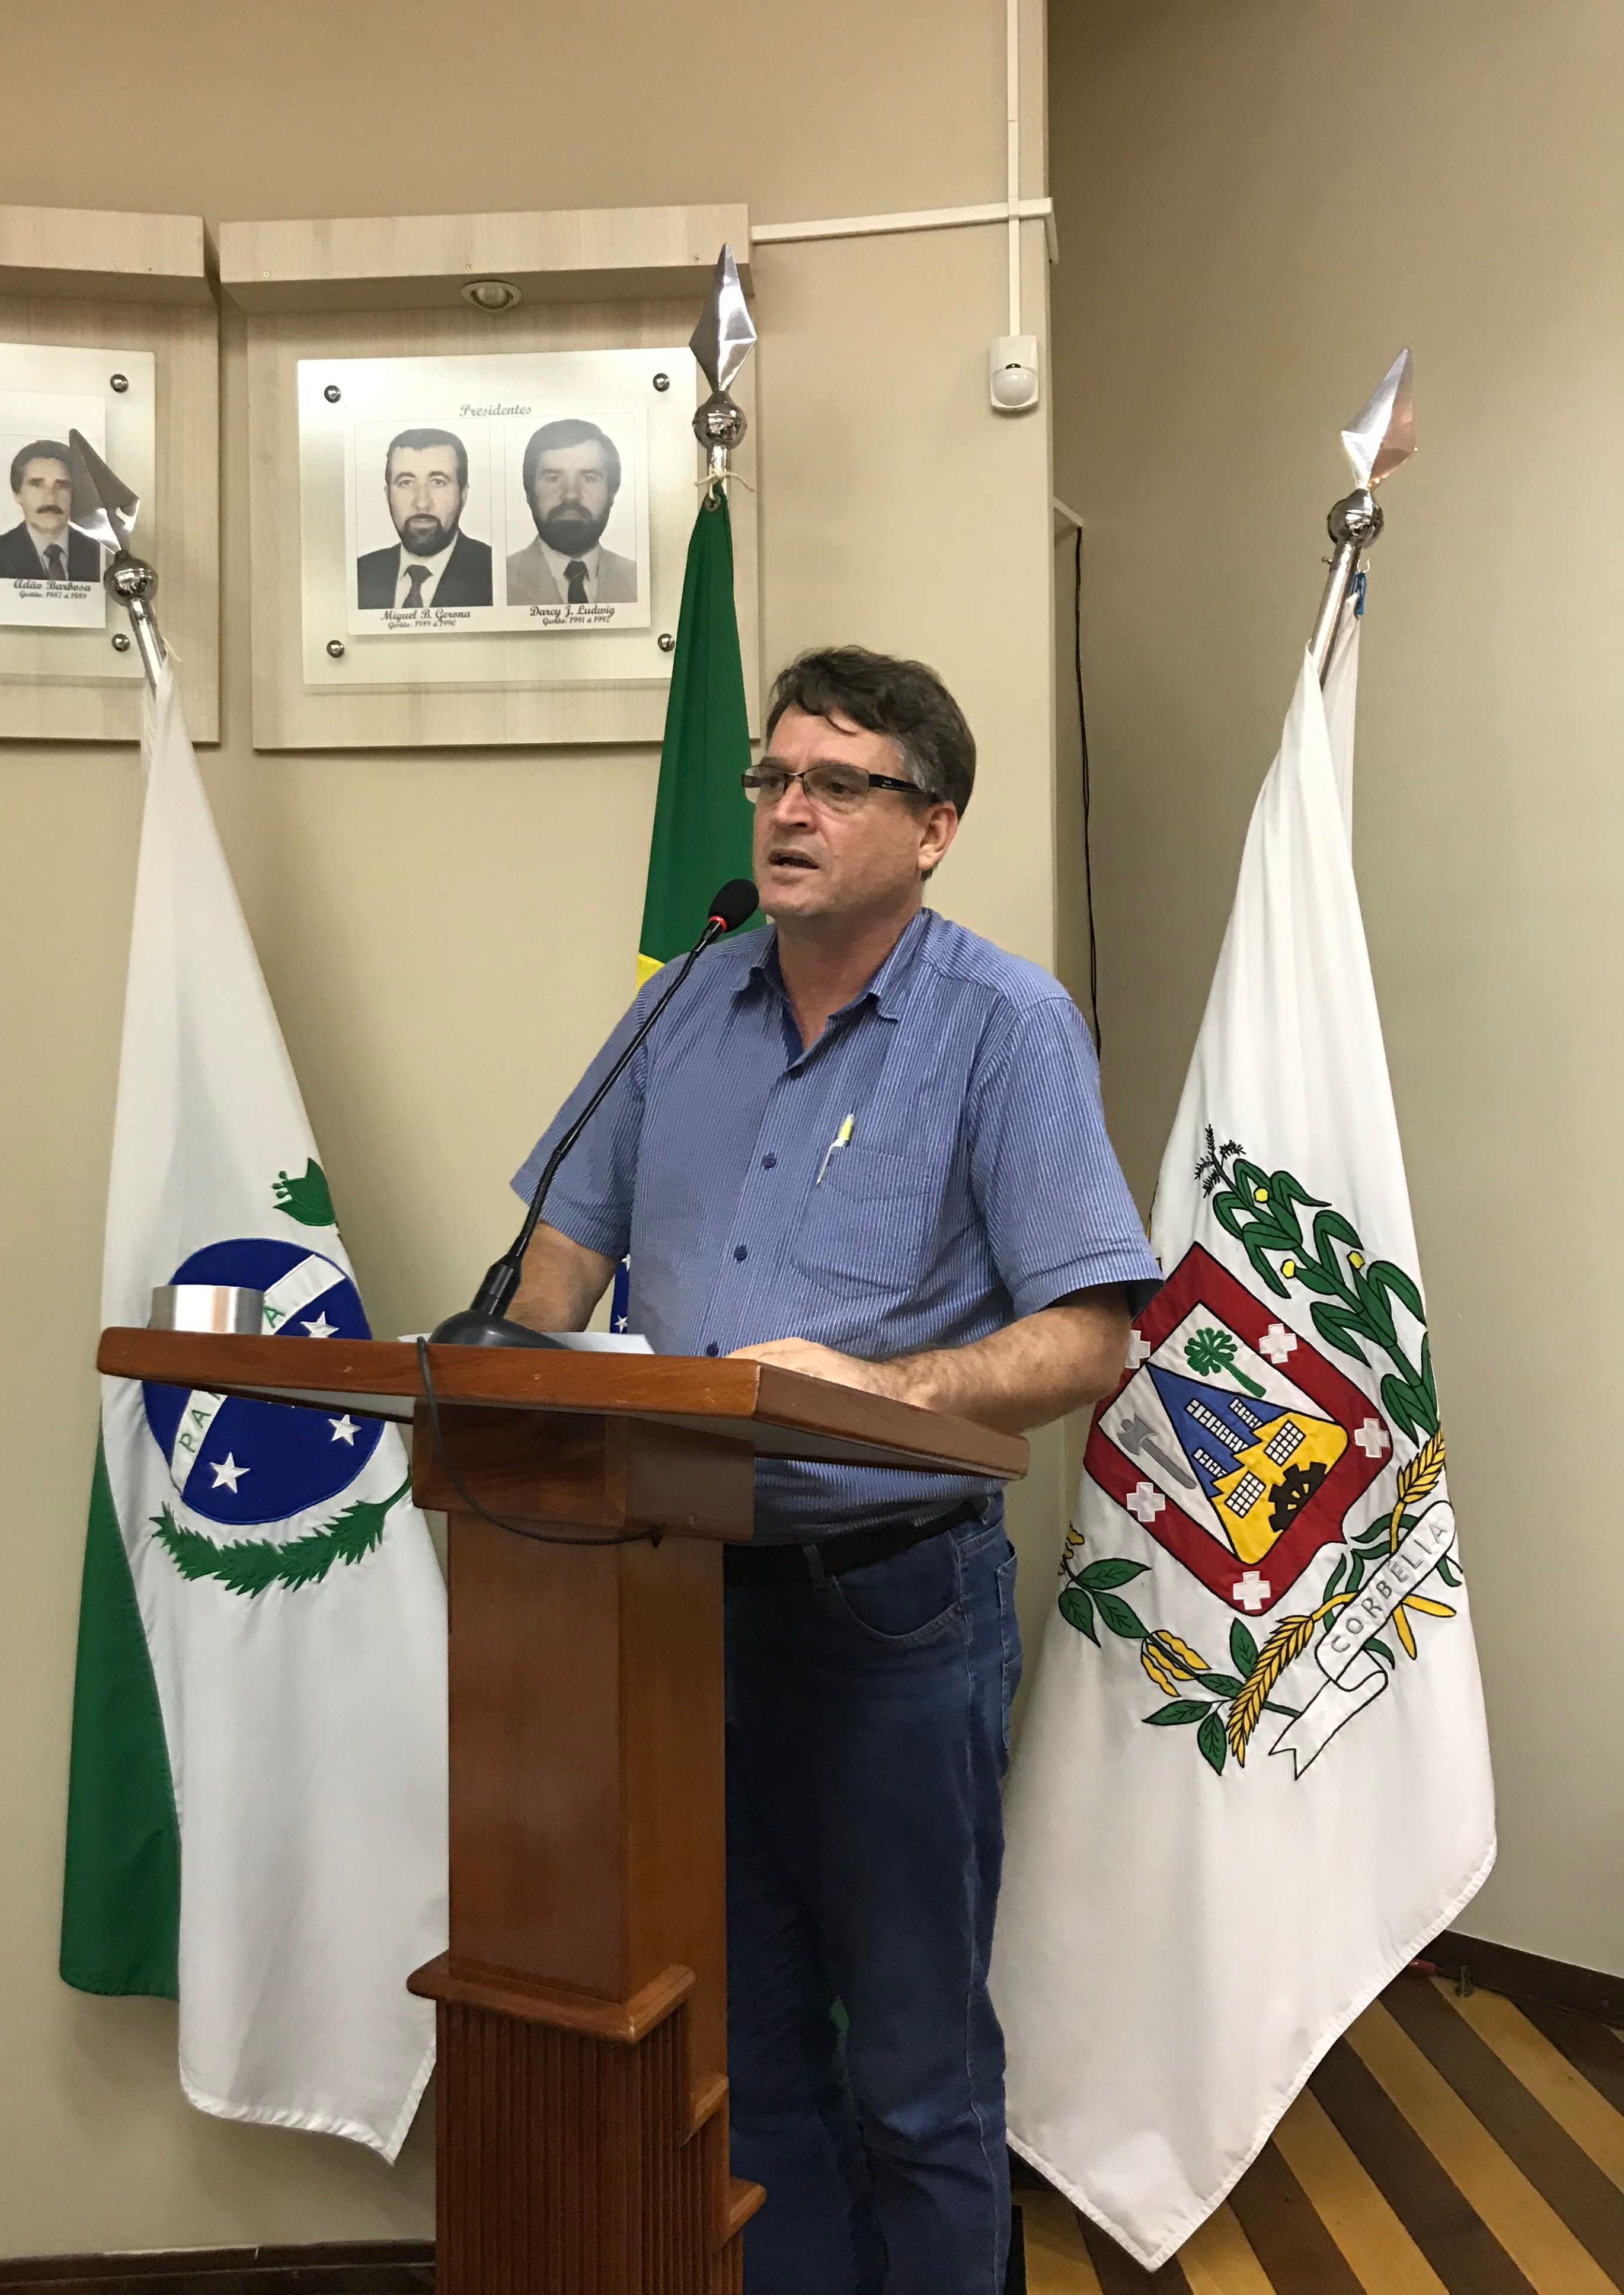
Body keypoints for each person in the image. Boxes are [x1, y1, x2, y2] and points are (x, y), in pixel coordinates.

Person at [506, 647, 1161, 2295]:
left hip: (889, 1610)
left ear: (931, 828)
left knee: (915, 2071)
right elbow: (560, 1259)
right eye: (775, 779)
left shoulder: (1004, 1026)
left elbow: (1088, 1339)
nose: (789, 811)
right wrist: (505, 1371)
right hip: (670, 1596)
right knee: (748, 2052)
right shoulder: (683, 999)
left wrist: (883, 1386)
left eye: (838, 785)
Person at [505, 417, 638, 606]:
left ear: (612, 492)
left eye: (589, 478)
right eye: (553, 478)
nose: (571, 495)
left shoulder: (641, 581)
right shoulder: (497, 582)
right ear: (529, 492)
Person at [355, 427, 492, 609]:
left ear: (463, 495)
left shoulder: (494, 572)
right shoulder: (359, 575)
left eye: (438, 482)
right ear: (388, 495)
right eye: (406, 483)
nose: (422, 503)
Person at [0, 441, 99, 581]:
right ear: (18, 494)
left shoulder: (99, 553)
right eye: (37, 485)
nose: (51, 497)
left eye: (62, 486)